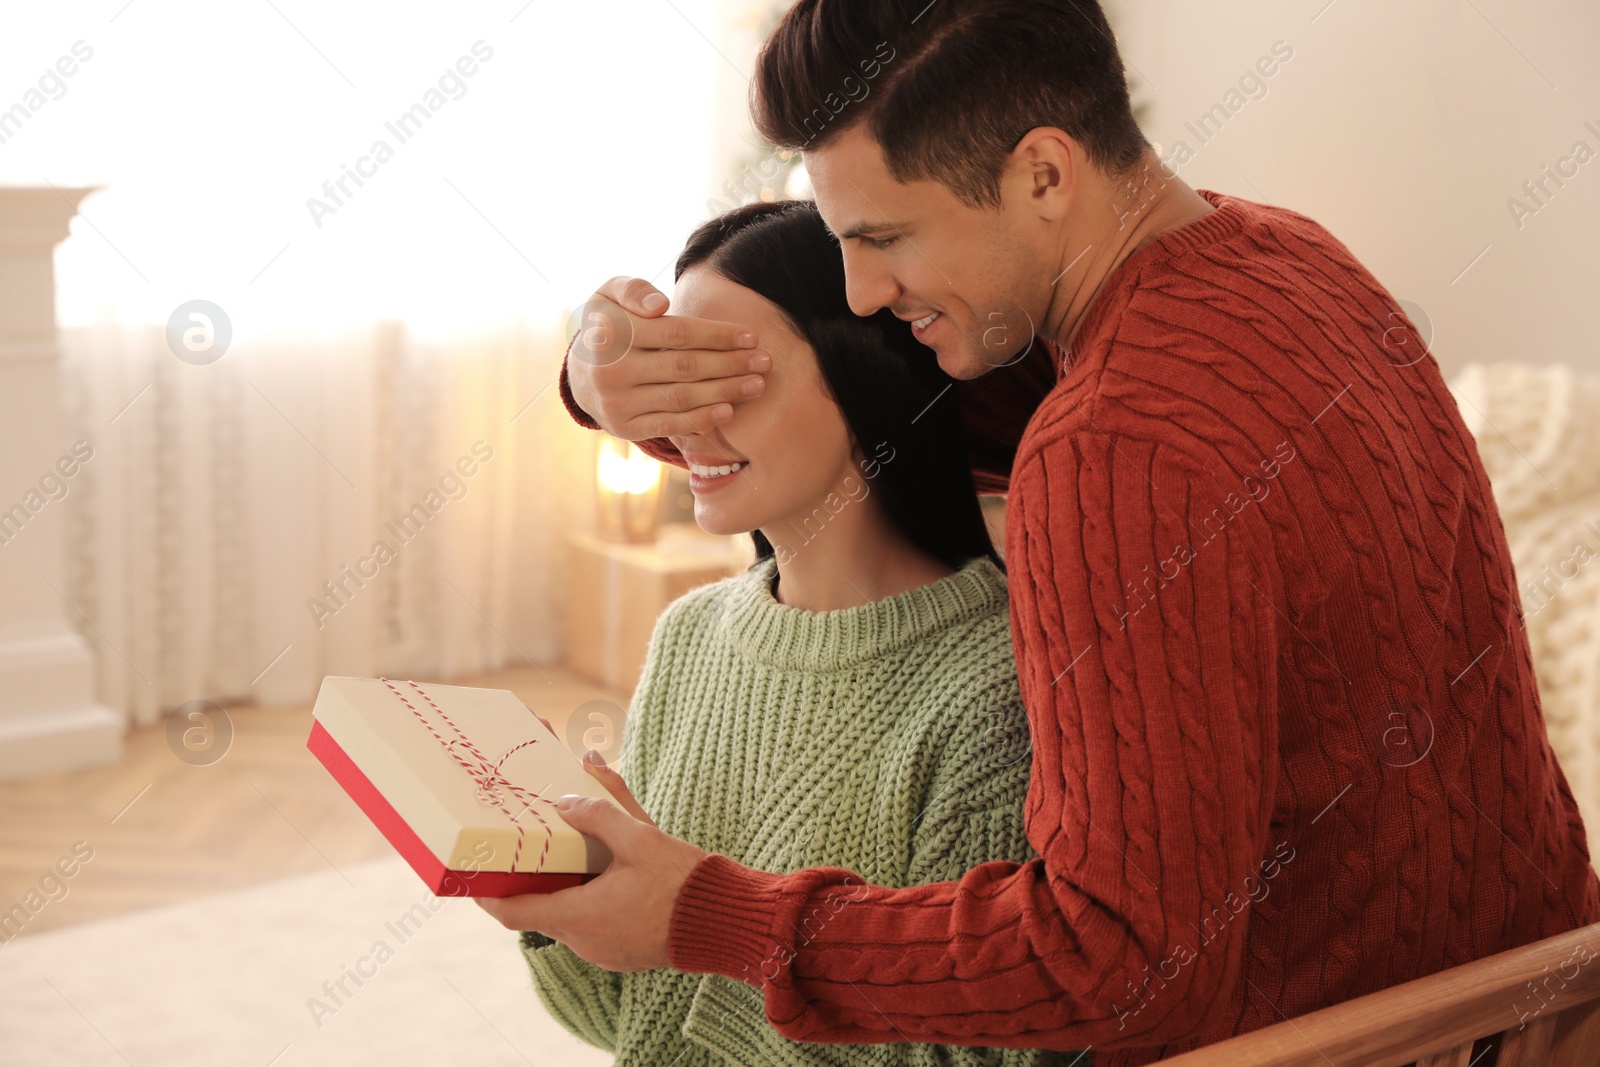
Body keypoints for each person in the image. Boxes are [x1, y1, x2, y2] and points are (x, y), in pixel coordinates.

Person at [480, 1, 1600, 1063]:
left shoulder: (1114, 444)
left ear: (1044, 172)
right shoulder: (1293, 261)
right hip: (1540, 994)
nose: (862, 290)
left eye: (883, 237)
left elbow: (1116, 967)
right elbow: (882, 412)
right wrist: (608, 381)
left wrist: (703, 911)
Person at [513, 198, 1076, 1067]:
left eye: (725, 377)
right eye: (671, 383)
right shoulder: (692, 635)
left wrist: (693, 930)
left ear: (865, 376)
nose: (683, 422)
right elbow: (633, 1025)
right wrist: (556, 901)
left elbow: (975, 1054)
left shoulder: (995, 686)